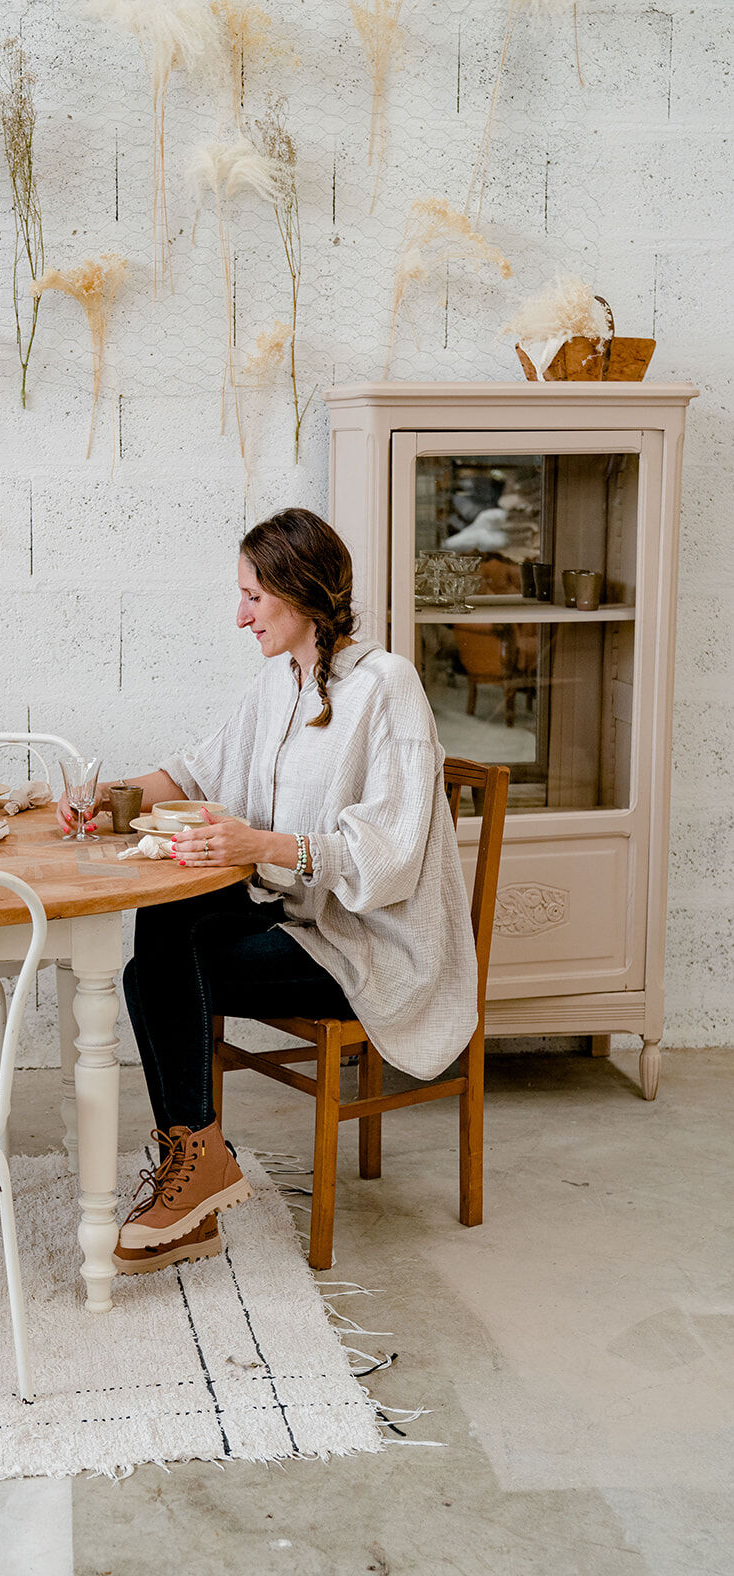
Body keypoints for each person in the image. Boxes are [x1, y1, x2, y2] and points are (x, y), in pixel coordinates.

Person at [57, 508, 477, 1275]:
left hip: (370, 945)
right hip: (294, 916)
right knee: (164, 919)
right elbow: (195, 772)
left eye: (252, 595)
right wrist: (102, 794)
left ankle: (195, 1170)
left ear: (298, 591)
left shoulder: (387, 687)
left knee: (152, 971)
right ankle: (199, 1159)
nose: (239, 614)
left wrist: (262, 846)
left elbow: (390, 859)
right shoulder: (278, 681)